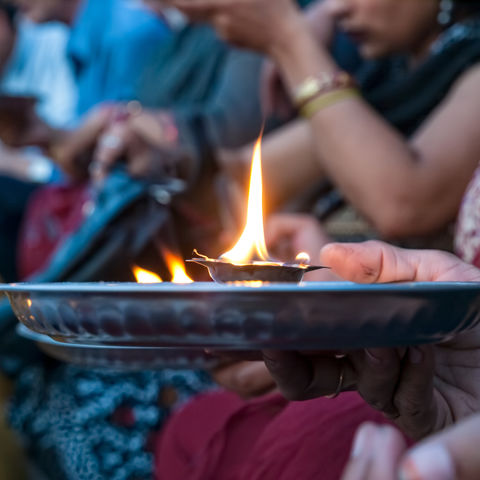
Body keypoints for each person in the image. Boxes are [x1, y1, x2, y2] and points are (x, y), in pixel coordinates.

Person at [176, 0, 480, 250]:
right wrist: (166, 146)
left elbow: (404, 206)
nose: (337, 8)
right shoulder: (397, 72)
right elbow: (249, 174)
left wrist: (291, 41)